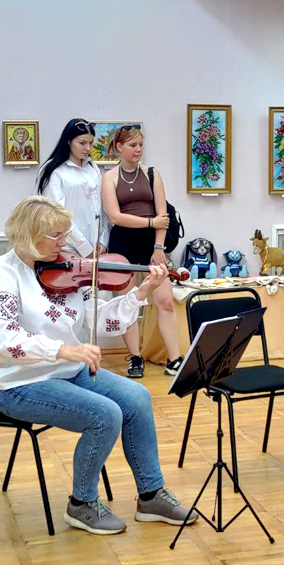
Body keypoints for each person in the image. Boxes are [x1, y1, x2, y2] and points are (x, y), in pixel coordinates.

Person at [0, 196, 196, 535]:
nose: (64, 243)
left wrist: (141, 292)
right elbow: (4, 341)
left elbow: (101, 321)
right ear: (27, 234)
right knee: (105, 414)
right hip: (20, 384)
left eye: (65, 234)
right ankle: (81, 503)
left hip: (69, 372)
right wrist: (63, 349)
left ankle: (151, 495)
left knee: (137, 398)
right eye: (56, 236)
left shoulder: (66, 269)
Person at [101, 125, 182, 378]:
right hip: (123, 243)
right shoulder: (109, 178)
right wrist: (150, 222)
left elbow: (162, 216)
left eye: (140, 145)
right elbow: (115, 217)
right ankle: (135, 357)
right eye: (132, 145)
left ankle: (175, 359)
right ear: (119, 147)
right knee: (128, 304)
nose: (138, 150)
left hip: (151, 243)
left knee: (164, 300)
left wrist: (158, 247)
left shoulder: (152, 174)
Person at [36, 119, 109, 258]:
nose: (88, 148)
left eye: (91, 143)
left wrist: (103, 240)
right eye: (82, 143)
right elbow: (57, 215)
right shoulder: (54, 170)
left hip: (96, 247)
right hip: (65, 247)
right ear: (69, 141)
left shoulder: (93, 168)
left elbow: (102, 208)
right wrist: (85, 247)